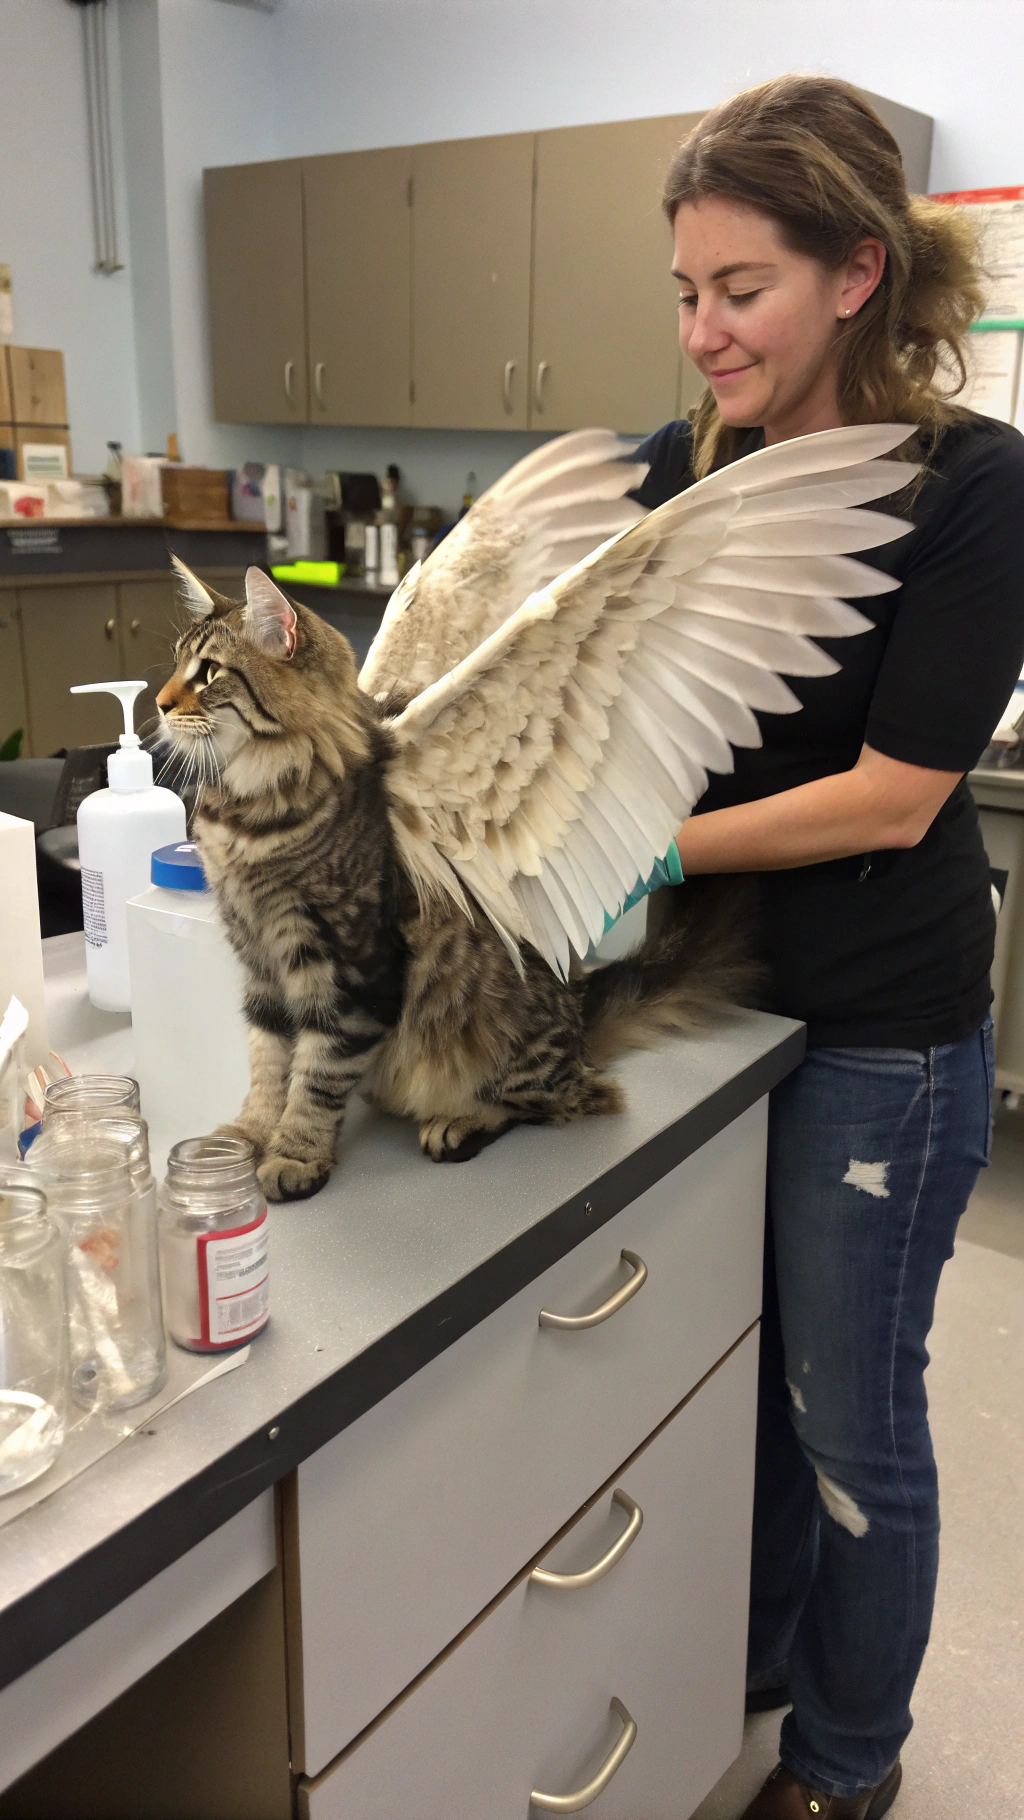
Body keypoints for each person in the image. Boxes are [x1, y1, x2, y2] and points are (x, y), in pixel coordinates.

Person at [631, 77, 1024, 1820]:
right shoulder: (685, 470)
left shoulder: (971, 486)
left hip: (881, 1033)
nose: (704, 332)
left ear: (858, 274)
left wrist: (651, 853)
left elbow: (892, 794)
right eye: (686, 293)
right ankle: (762, 1655)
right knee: (747, 1384)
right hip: (712, 1015)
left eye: (743, 290)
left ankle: (848, 1764)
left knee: (850, 1416)